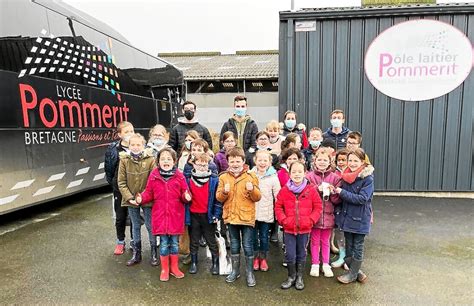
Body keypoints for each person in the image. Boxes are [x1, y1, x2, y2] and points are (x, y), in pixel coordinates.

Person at [136, 148, 192, 282]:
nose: (165, 161)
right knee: (164, 244)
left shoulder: (179, 175)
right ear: (158, 161)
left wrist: (187, 196)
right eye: (162, 159)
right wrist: (141, 198)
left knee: (174, 244)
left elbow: (185, 193)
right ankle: (164, 269)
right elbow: (148, 193)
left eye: (169, 159)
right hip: (160, 216)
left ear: (174, 161)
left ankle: (174, 267)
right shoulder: (154, 175)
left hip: (175, 216)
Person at [217, 147, 261, 287]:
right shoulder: (223, 177)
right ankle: (235, 271)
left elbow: (257, 197)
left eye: (237, 161)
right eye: (232, 161)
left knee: (247, 245)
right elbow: (218, 197)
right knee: (234, 245)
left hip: (246, 217)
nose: (235, 164)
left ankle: (249, 272)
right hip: (231, 217)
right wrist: (224, 192)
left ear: (243, 161)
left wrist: (252, 189)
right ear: (228, 162)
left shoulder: (251, 176)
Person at [275, 161, 322, 290]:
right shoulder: (284, 191)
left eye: (300, 171)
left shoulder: (311, 190)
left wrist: (311, 220)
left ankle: (299, 277)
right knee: (290, 254)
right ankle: (291, 276)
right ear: (289, 174)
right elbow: (278, 207)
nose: (297, 174)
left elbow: (318, 207)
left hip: (304, 229)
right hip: (289, 229)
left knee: (301, 253)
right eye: (294, 172)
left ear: (305, 173)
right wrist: (284, 220)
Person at [333, 148, 374, 284]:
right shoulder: (346, 176)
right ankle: (357, 272)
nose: (352, 163)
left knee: (357, 246)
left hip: (360, 218)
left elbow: (362, 198)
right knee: (349, 246)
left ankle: (352, 274)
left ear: (362, 162)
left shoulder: (367, 178)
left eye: (356, 161)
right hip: (347, 217)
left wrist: (341, 192)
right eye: (350, 160)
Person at [117, 133, 158, 267]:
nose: (135, 147)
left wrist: (143, 197)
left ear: (143, 145)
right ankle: (137, 253)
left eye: (138, 144)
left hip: (147, 198)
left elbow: (153, 181)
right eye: (132, 145)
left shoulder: (150, 159)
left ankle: (153, 253)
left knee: (149, 225)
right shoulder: (124, 160)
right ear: (129, 146)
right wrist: (130, 198)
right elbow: (121, 182)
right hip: (131, 200)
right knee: (135, 225)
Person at [305, 150, 341, 278]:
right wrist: (317, 189)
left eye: (325, 160)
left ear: (330, 162)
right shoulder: (309, 176)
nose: (322, 162)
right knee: (314, 241)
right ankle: (315, 264)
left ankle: (326, 264)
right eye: (319, 160)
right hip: (314, 215)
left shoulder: (335, 177)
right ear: (315, 161)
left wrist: (333, 192)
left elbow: (337, 200)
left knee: (325, 241)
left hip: (329, 215)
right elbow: (305, 193)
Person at [184, 153, 222, 275]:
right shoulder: (188, 179)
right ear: (193, 164)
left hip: (208, 215)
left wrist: (217, 214)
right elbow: (183, 198)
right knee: (194, 240)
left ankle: (215, 263)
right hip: (193, 215)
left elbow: (218, 200)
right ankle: (194, 262)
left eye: (204, 165)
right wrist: (185, 197)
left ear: (208, 165)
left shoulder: (214, 180)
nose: (201, 167)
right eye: (199, 165)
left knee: (211, 240)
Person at [104, 121, 134, 255]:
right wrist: (115, 184)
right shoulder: (113, 149)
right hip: (119, 189)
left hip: (134, 188)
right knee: (120, 217)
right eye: (126, 132)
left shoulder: (137, 147)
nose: (130, 134)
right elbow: (109, 169)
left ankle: (135, 241)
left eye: (132, 131)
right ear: (119, 134)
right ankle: (120, 242)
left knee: (135, 217)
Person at [250, 150, 281, 272]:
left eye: (265, 160)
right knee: (252, 237)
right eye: (260, 160)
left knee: (264, 237)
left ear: (269, 162)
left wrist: (279, 211)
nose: (262, 163)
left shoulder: (273, 177)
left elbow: (278, 195)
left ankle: (263, 258)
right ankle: (255, 258)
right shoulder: (250, 174)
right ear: (255, 161)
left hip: (266, 213)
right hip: (252, 212)